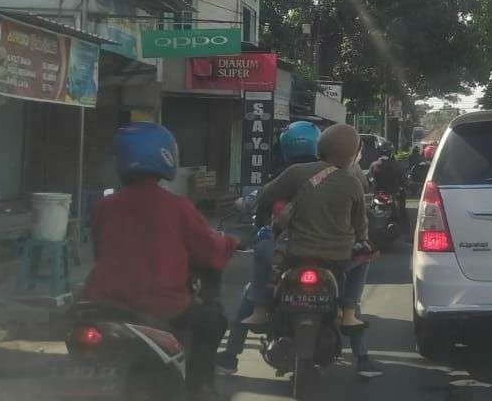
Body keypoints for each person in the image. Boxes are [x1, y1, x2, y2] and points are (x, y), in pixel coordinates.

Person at [83, 122, 239, 399]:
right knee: (212, 319)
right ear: (166, 157)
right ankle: (199, 386)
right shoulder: (178, 207)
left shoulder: (103, 207)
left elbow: (99, 251)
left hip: (102, 304)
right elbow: (208, 252)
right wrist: (232, 243)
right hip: (162, 308)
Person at [241, 123, 382, 377]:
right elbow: (361, 227)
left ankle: (257, 313)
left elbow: (264, 196)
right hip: (338, 260)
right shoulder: (353, 182)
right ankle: (349, 312)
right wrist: (362, 242)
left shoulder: (296, 173)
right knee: (365, 258)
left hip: (295, 253)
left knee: (263, 259)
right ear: (352, 154)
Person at [217, 121, 320, 376]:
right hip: (324, 252)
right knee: (346, 296)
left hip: (282, 254)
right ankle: (359, 347)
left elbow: (259, 203)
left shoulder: (283, 177)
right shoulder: (334, 174)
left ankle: (231, 356)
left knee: (250, 293)